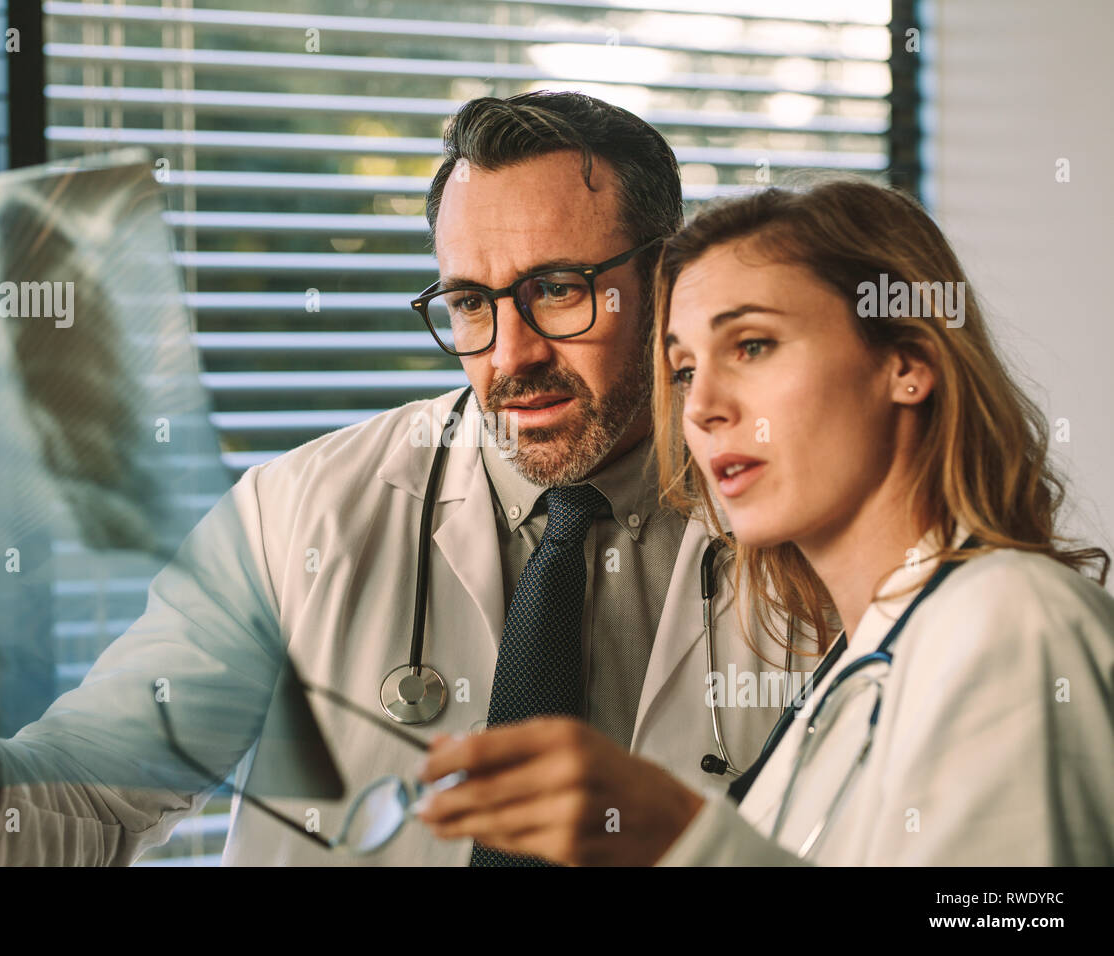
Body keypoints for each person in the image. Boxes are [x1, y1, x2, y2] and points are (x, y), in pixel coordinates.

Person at [0, 91, 804, 867]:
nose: (511, 355)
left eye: (558, 290)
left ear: (669, 277)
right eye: (470, 302)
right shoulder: (297, 514)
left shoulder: (805, 518)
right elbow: (86, 798)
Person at [417, 178, 1114, 865]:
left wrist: (685, 840)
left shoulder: (1011, 622)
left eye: (751, 346)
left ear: (907, 363)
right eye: (685, 369)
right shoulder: (855, 667)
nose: (702, 407)